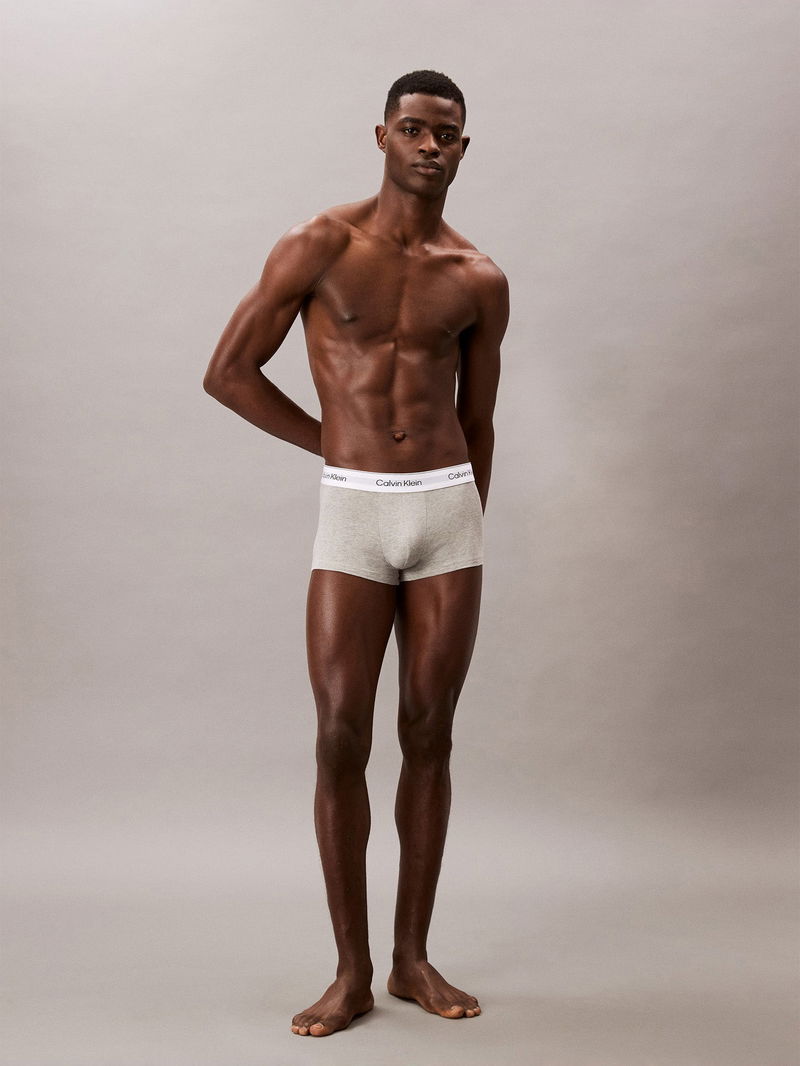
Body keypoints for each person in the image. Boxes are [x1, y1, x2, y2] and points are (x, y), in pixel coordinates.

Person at [203, 69, 509, 1038]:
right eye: (413, 129)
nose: (428, 146)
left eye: (445, 134)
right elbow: (227, 372)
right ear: (381, 136)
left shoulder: (478, 277)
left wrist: (468, 520)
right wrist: (333, 447)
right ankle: (351, 971)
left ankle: (413, 958)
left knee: (430, 730)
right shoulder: (321, 245)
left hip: (446, 513)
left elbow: (478, 420)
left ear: (462, 149)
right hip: (354, 512)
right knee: (340, 731)